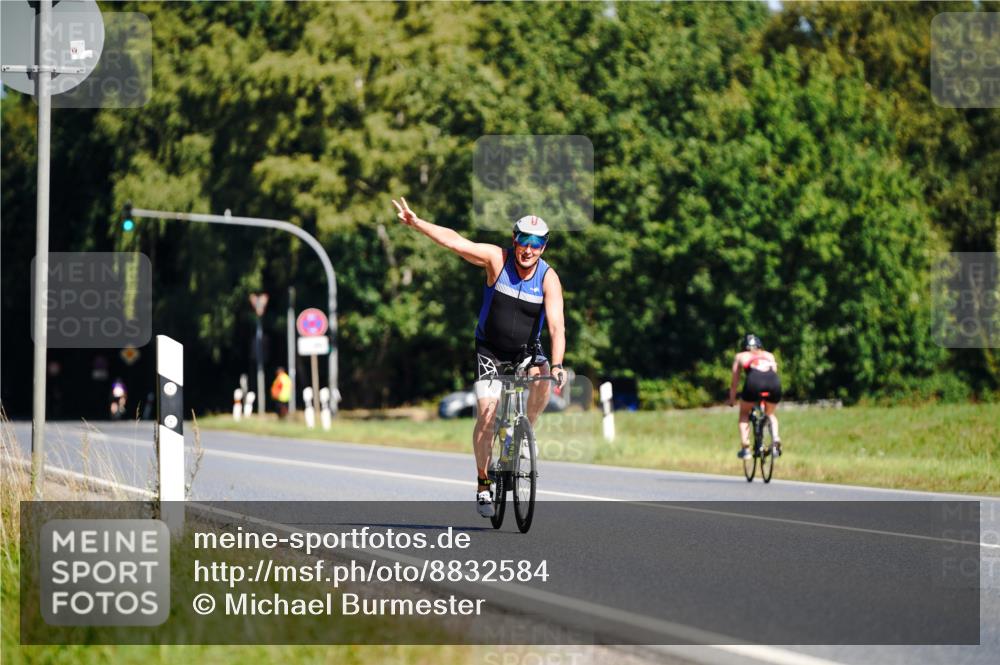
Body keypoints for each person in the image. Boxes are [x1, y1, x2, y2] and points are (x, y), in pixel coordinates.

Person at [392, 197, 567, 517]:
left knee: (543, 378)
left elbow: (556, 327)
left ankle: (524, 432)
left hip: (527, 350)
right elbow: (456, 242)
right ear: (514, 241)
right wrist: (417, 223)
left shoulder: (548, 278)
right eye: (523, 242)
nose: (528, 250)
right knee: (487, 414)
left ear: (544, 247)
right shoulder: (496, 260)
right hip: (490, 349)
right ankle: (483, 483)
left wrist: (557, 365)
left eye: (536, 244)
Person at [727, 333, 783, 458]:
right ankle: (775, 438)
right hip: (773, 382)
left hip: (754, 381)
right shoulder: (769, 355)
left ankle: (745, 447)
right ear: (760, 346)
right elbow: (773, 372)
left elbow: (734, 382)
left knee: (744, 414)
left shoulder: (741, 356)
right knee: (770, 414)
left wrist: (732, 400)